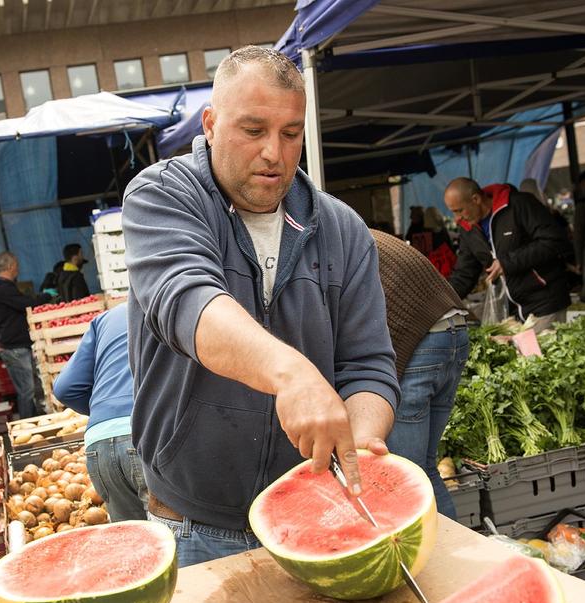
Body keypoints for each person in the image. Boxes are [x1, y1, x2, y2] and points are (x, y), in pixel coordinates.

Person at [122, 46, 400, 567]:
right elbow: (188, 302)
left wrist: (362, 442)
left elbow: (369, 366)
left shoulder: (342, 229)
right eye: (253, 131)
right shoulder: (163, 196)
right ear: (209, 124)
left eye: (290, 133)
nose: (274, 152)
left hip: (315, 516)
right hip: (192, 526)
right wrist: (292, 374)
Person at [371, 231, 469, 519]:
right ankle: (455, 552)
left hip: (421, 343)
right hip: (454, 332)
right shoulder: (354, 231)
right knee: (424, 468)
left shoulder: (326, 242)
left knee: (408, 477)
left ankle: (439, 556)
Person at [53, 304, 146, 521]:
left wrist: (103, 410)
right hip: (147, 433)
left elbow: (65, 388)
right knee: (177, 538)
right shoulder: (172, 304)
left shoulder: (105, 318)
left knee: (131, 539)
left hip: (98, 440)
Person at [445, 177, 572, 332]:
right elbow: (465, 273)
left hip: (545, 302)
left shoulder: (519, 205)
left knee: (545, 355)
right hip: (511, 313)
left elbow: (554, 241)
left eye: (459, 210)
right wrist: (442, 301)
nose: (457, 218)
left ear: (476, 199)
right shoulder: (468, 229)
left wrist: (506, 263)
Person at [0, 251, 51, 418]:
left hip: (17, 346)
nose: (18, 269)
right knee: (26, 391)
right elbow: (27, 304)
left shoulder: (2, 288)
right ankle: (27, 426)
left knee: (31, 389)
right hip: (14, 348)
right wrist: (46, 296)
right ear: (10, 267)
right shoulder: (3, 290)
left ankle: (35, 421)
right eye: (16, 266)